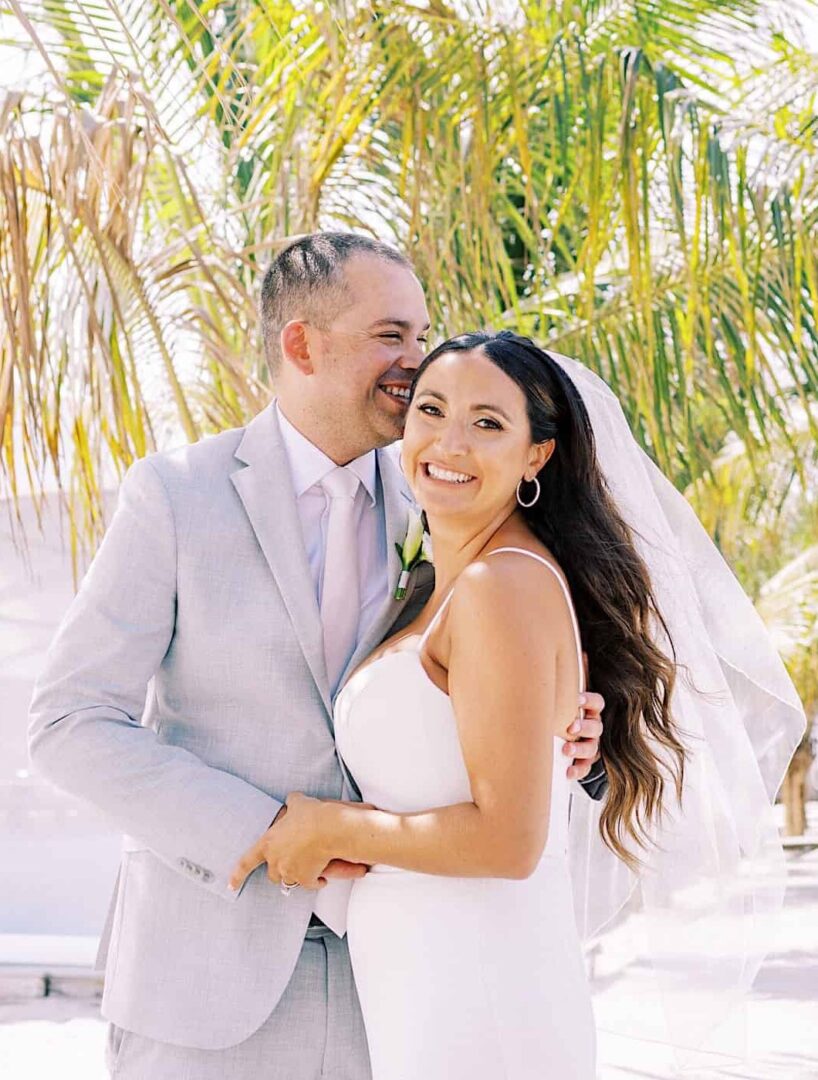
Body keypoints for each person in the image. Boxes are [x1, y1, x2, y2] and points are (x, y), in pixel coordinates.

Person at [27, 235, 606, 1079]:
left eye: (421, 335)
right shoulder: (176, 495)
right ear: (301, 343)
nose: (417, 363)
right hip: (206, 982)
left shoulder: (442, 492)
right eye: (392, 336)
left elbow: (487, 683)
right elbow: (69, 723)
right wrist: (264, 832)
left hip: (403, 986)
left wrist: (566, 741)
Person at [229, 330, 688, 1079]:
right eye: (432, 410)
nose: (449, 442)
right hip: (427, 984)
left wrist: (329, 827)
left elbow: (508, 841)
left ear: (536, 454)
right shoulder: (440, 580)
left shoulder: (499, 585)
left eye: (487, 423)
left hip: (480, 989)